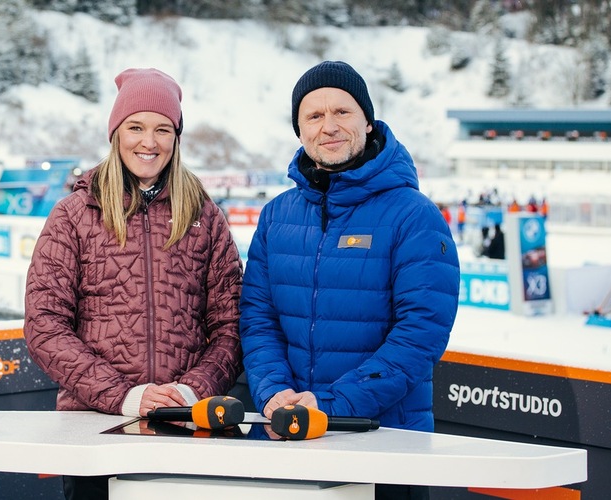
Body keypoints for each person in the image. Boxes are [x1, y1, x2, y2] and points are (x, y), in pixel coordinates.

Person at [239, 61, 459, 500]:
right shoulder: (277, 216)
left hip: (384, 441)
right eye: (314, 116)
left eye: (342, 112)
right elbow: (257, 319)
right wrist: (275, 392)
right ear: (299, 131)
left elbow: (420, 335)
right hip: (291, 436)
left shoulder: (414, 215)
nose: (329, 126)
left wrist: (334, 405)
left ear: (367, 120)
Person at [23, 68, 243, 500]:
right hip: (94, 428)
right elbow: (44, 324)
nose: (149, 141)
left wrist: (191, 390)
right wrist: (123, 395)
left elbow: (231, 326)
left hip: (188, 426)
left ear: (176, 138)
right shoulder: (74, 214)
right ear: (115, 133)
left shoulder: (204, 217)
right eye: (136, 127)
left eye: (163, 128)